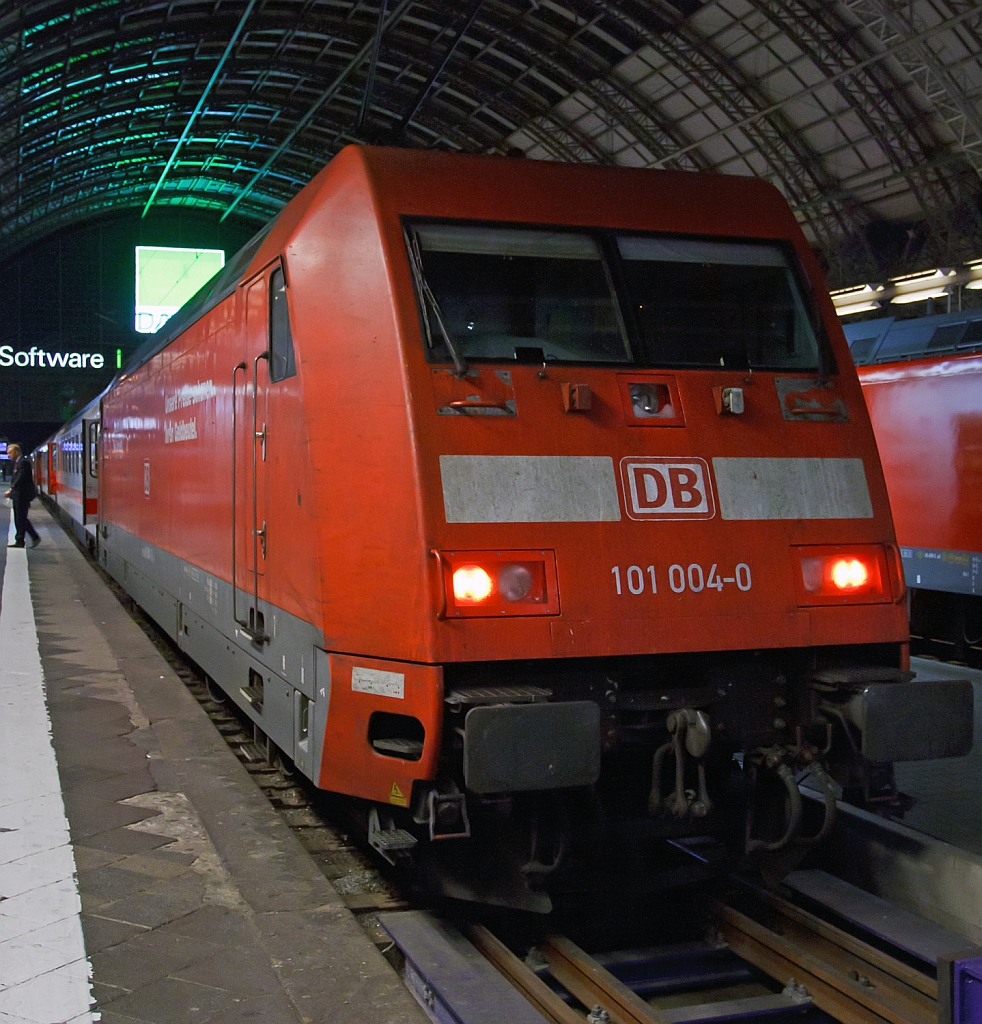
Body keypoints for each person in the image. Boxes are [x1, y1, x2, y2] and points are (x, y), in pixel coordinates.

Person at [5, 444, 40, 548]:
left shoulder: (23, 463)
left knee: (21, 518)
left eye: (10, 453)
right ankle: (24, 539)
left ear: (16, 452)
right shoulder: (18, 463)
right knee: (20, 518)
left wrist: (11, 488)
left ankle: (27, 538)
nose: (9, 455)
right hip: (18, 495)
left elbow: (21, 478)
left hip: (22, 496)